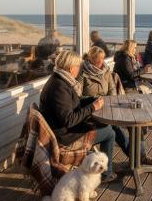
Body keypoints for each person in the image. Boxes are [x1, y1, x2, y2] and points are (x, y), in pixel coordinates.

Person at [39, 50, 117, 183]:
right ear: (71, 68)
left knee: (106, 126)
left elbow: (73, 104)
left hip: (62, 130)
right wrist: (93, 107)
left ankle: (102, 165)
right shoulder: (59, 87)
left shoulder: (59, 80)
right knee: (109, 132)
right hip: (65, 137)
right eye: (78, 66)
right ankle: (106, 173)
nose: (79, 69)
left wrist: (91, 100)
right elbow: (69, 120)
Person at [80, 46, 152, 165]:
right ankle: (137, 159)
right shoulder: (82, 74)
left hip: (108, 106)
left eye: (102, 59)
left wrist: (109, 100)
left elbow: (112, 89)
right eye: (98, 59)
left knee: (135, 123)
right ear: (90, 59)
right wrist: (95, 101)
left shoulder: (105, 70)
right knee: (116, 128)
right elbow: (78, 97)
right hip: (92, 112)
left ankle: (141, 156)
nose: (101, 62)